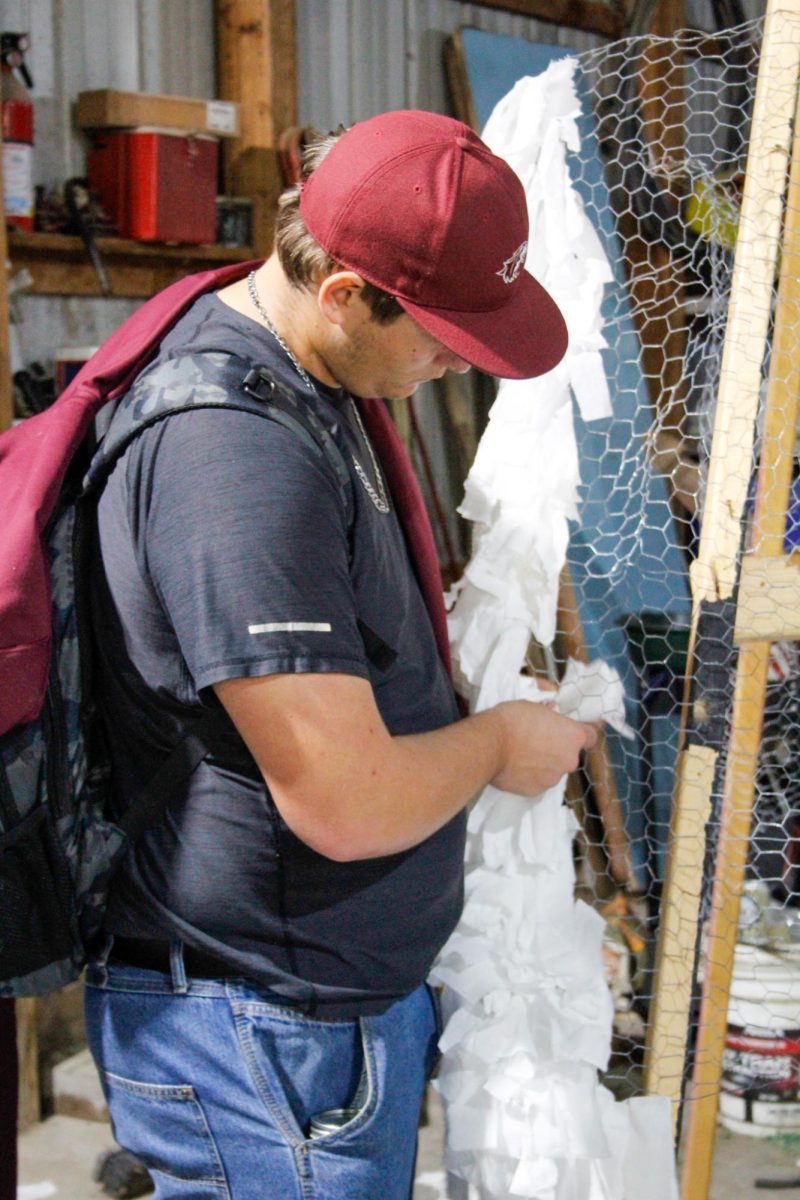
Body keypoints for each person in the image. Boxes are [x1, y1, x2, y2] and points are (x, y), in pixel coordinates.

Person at [84, 109, 598, 1200]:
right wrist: (499, 740)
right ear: (343, 294)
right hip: (262, 1038)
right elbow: (344, 802)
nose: (454, 365)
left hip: (310, 1017)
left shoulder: (313, 376)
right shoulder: (232, 459)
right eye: (440, 336)